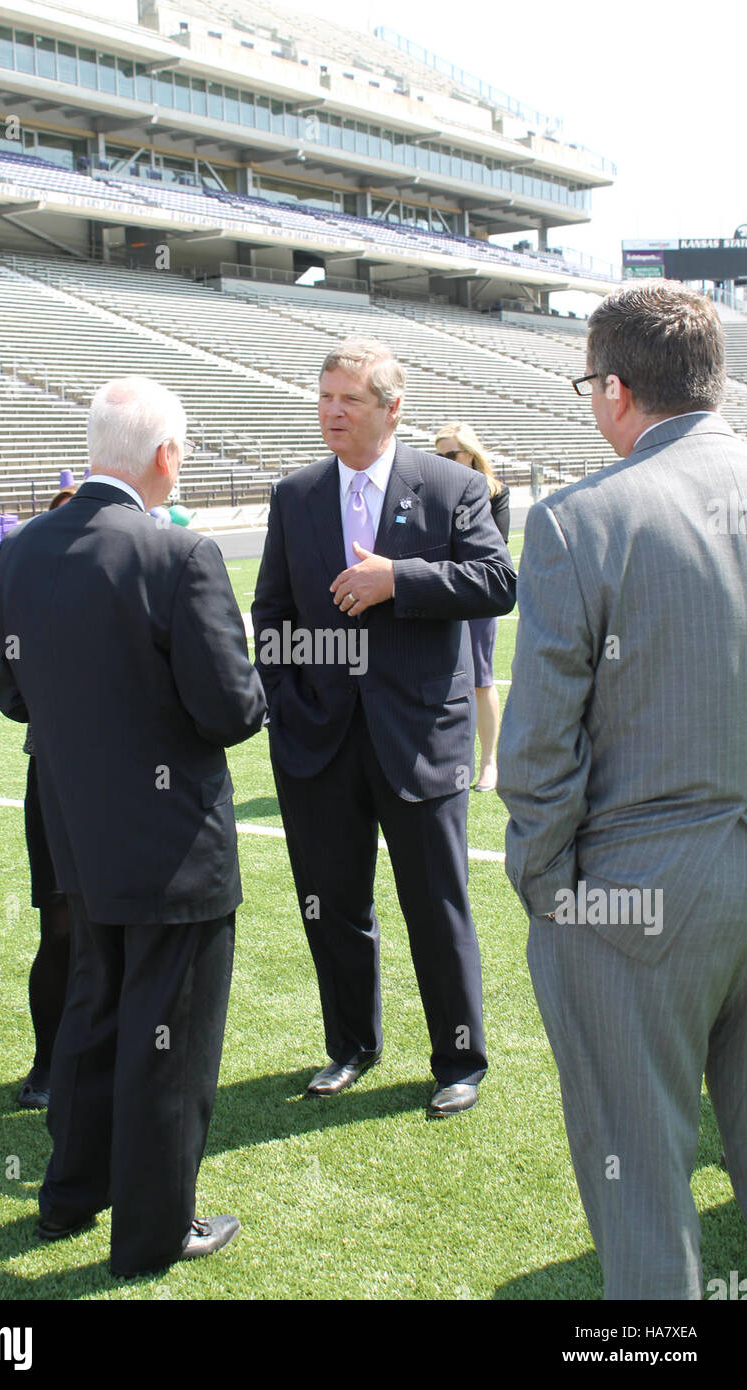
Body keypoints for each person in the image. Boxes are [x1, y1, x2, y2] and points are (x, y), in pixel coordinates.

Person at [497, 282, 747, 1299]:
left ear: (613, 388)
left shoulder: (578, 521)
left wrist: (551, 889)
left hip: (636, 889)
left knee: (639, 1183)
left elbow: (536, 752)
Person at [0, 376, 266, 1277]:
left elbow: (12, 691)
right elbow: (231, 710)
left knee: (93, 1010)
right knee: (170, 1039)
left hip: (78, 830)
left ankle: (70, 1195)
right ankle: (151, 1233)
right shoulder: (178, 556)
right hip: (172, 845)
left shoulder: (25, 548)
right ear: (165, 456)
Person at [253, 339, 516, 1116]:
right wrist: (288, 695)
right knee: (332, 904)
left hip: (420, 736)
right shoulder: (295, 494)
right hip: (318, 739)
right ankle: (350, 1046)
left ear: (391, 409)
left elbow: (498, 581)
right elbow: (271, 613)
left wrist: (395, 580)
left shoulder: (452, 485)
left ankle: (458, 1059)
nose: (333, 411)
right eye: (325, 396)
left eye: (351, 400)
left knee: (437, 902)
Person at [17, 485, 77, 1112]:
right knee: (59, 925)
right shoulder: (31, 595)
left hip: (127, 785)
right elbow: (16, 694)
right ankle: (46, 1064)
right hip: (54, 777)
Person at [434, 423, 510, 792]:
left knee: (481, 679)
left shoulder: (495, 493)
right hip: (440, 596)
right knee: (441, 679)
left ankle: (489, 761)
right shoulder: (433, 490)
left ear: (470, 454)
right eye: (439, 455)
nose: (445, 461)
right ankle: (447, 761)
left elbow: (495, 554)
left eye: (452, 454)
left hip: (476, 597)